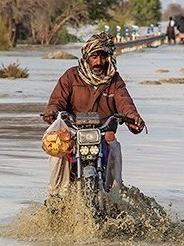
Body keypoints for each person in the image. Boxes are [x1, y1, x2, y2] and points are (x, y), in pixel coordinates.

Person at [42, 32, 146, 196]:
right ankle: (55, 195)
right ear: (86, 57)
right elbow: (57, 100)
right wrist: (52, 111)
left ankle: (114, 194)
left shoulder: (114, 80)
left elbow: (124, 101)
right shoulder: (71, 76)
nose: (98, 62)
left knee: (115, 147)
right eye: (94, 56)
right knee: (57, 152)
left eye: (103, 56)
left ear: (109, 57)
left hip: (103, 133)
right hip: (73, 132)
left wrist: (132, 117)